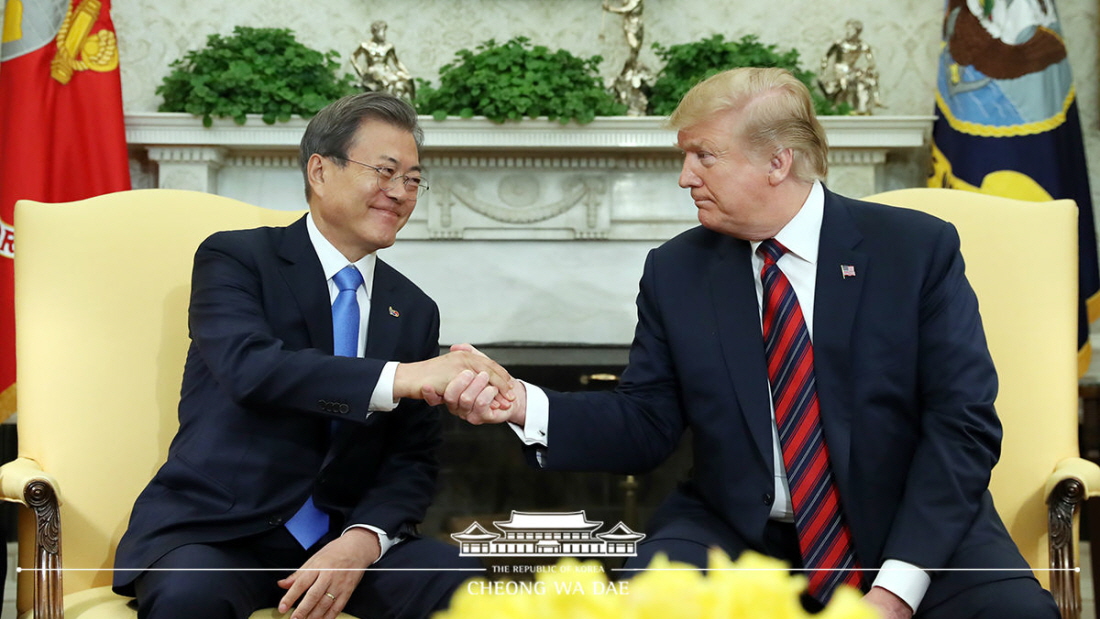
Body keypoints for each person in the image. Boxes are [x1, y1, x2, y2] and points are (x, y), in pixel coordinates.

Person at [431, 68, 1059, 619]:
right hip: (736, 528)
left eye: (704, 156)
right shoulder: (677, 270)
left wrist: (894, 591)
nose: (684, 178)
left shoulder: (915, 251)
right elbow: (646, 421)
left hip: (908, 525)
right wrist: (521, 403)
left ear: (777, 162)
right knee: (645, 602)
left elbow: (962, 426)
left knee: (1013, 610)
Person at [112, 92, 513, 619]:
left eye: (412, 179)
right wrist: (402, 377)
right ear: (320, 171)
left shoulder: (413, 309)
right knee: (191, 597)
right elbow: (252, 369)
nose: (400, 193)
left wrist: (363, 541)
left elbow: (411, 459)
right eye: (385, 172)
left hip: (343, 540)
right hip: (220, 533)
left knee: (466, 588)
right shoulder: (236, 258)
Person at [352, 21, 416, 101]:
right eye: (382, 31)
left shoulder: (389, 46)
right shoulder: (365, 45)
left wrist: (406, 72)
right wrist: (359, 70)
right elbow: (353, 56)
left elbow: (397, 62)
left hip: (386, 71)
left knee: (408, 79)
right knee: (388, 83)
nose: (384, 34)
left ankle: (414, 103)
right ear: (374, 32)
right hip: (373, 72)